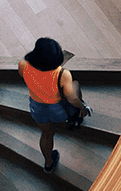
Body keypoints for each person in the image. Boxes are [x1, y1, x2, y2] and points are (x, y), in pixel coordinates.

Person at [18, 38, 89, 172]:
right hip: (58, 110)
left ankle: (48, 164)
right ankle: (78, 116)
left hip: (37, 108)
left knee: (46, 134)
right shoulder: (63, 74)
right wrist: (82, 107)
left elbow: (26, 76)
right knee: (75, 85)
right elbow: (71, 98)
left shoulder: (23, 64)